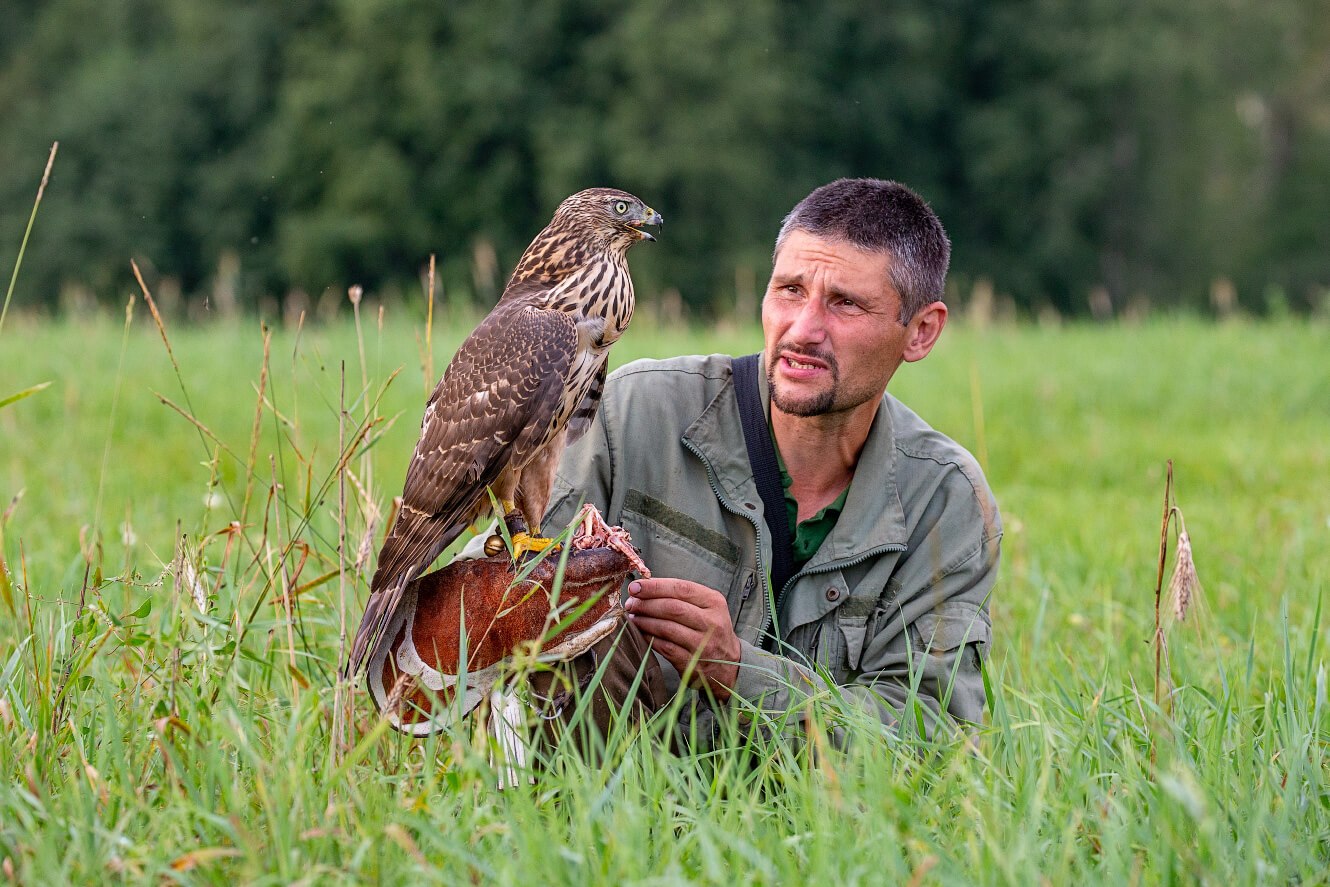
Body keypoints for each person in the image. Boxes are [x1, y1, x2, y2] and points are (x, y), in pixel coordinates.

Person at [470, 178, 1001, 743]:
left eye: (845, 304)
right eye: (789, 291)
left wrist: (738, 671)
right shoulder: (630, 415)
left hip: (814, 827)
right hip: (604, 814)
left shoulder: (944, 499)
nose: (803, 330)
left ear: (920, 332)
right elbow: (488, 620)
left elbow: (928, 733)